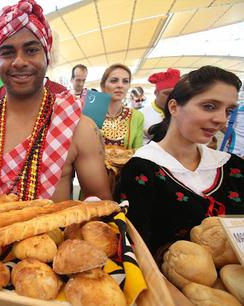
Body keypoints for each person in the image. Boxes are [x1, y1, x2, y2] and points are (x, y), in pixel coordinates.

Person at [0, 0, 112, 202]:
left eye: (31, 50)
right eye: (7, 52)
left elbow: (102, 208)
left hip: (57, 234)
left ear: (47, 56)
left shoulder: (80, 129)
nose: (19, 61)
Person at [119, 66, 244, 258]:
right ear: (174, 107)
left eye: (228, 110)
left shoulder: (233, 167)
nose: (221, 119)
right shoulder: (143, 171)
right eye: (209, 106)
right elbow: (140, 250)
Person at [100, 64, 144, 149]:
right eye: (114, 80)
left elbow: (137, 152)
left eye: (125, 81)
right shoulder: (90, 114)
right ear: (103, 86)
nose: (120, 85)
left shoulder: (137, 116)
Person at [141, 68, 181, 144]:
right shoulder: (141, 115)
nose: (172, 97)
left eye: (175, 93)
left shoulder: (183, 114)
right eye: (167, 93)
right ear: (156, 93)